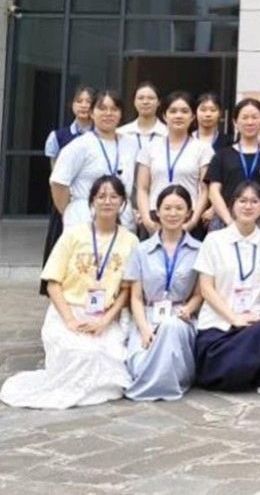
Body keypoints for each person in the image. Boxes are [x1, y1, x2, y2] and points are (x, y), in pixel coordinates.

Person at [1, 175, 138, 409]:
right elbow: (53, 282)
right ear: (92, 202)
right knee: (78, 352)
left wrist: (105, 320)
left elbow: (127, 289)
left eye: (114, 196)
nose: (107, 201)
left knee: (106, 358)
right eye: (101, 196)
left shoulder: (131, 241)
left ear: (123, 202)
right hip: (69, 311)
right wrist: (70, 320)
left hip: (106, 316)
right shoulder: (73, 235)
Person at [193, 181, 260, 392]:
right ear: (232, 205)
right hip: (218, 321)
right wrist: (233, 318)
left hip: (253, 320)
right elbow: (206, 288)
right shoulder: (214, 240)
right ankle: (229, 372)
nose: (248, 206)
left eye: (254, 201)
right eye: (242, 201)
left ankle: (232, 373)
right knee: (225, 357)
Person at [123, 184, 202, 402]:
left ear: (188, 213)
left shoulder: (199, 249)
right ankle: (158, 380)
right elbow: (136, 297)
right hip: (148, 317)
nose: (173, 213)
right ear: (157, 212)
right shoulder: (141, 250)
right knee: (139, 368)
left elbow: (199, 293)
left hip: (180, 318)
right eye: (167, 208)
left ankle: (160, 382)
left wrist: (189, 309)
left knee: (171, 326)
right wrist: (144, 329)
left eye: (179, 208)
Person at [51, 89, 138, 232]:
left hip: (123, 221)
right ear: (91, 113)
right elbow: (59, 182)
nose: (108, 114)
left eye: (114, 109)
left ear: (121, 114)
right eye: (102, 108)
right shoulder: (79, 146)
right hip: (84, 220)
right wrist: (69, 212)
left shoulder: (131, 144)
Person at [40, 85, 96, 296]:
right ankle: (56, 290)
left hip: (93, 202)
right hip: (66, 201)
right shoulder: (58, 136)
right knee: (61, 246)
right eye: (79, 101)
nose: (84, 106)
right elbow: (55, 172)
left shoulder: (101, 136)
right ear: (72, 105)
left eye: (88, 102)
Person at [134, 92, 214, 238]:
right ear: (164, 116)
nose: (178, 116)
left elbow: (205, 190)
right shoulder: (149, 148)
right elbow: (142, 188)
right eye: (173, 111)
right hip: (155, 217)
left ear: (193, 116)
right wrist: (147, 220)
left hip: (188, 216)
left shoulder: (203, 149)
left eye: (184, 111)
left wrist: (193, 222)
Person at [206, 98, 260, 232]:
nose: (250, 122)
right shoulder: (222, 155)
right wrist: (229, 221)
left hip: (259, 223)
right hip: (225, 221)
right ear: (235, 122)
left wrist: (255, 215)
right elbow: (214, 192)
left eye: (254, 117)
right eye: (245, 117)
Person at [117, 82, 167, 152]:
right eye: (140, 98)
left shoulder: (167, 133)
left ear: (159, 102)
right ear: (134, 102)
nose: (145, 102)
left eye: (151, 98)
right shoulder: (121, 133)